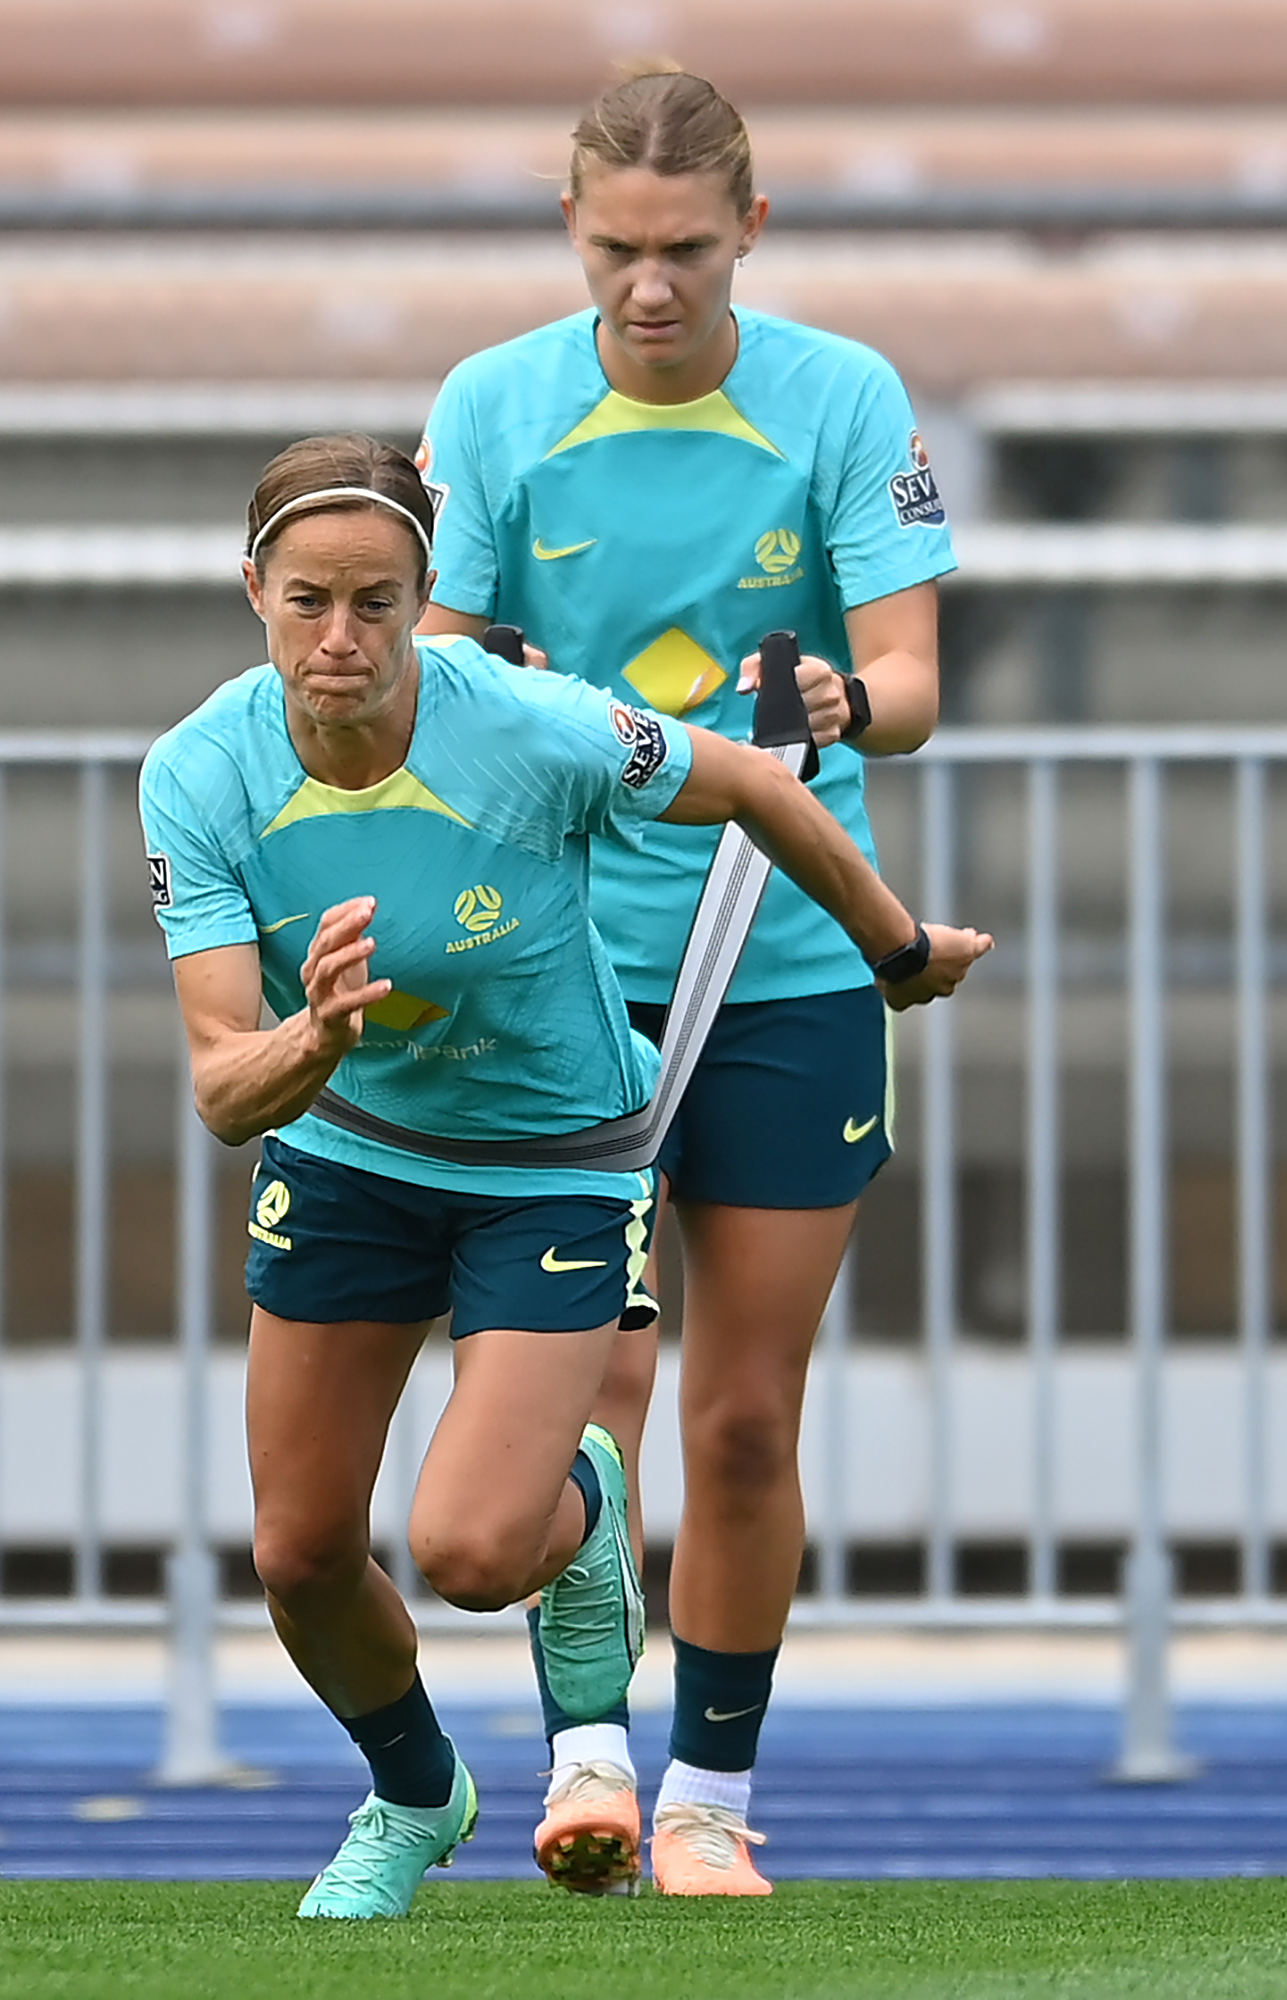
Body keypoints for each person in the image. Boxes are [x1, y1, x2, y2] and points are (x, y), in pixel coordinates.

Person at [139, 433, 986, 1919]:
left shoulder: (532, 725)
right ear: (253, 591)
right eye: (310, 601)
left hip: (555, 1162)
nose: (342, 639)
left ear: (422, 599)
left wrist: (894, 948)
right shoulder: (200, 774)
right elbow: (222, 1087)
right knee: (297, 1553)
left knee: (471, 1555)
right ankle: (414, 1795)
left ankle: (578, 1517)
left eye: (380, 603)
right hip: (347, 1154)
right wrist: (317, 1039)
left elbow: (758, 790)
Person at [416, 61, 959, 1897]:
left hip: (795, 958)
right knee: (600, 1393)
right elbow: (447, 678)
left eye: (688, 251)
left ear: (751, 233)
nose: (651, 287)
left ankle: (712, 1795)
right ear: (571, 228)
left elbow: (911, 679)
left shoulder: (839, 395)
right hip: (574, 972)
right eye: (619, 249)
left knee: (740, 1414)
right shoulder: (493, 406)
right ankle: (584, 1759)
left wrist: (838, 707)